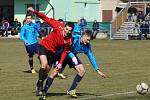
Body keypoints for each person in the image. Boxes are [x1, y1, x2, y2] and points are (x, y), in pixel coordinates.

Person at [27, 7, 74, 99]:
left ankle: (39, 83)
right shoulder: (58, 25)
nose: (67, 32)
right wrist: (34, 11)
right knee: (44, 65)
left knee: (46, 72)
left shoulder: (69, 40)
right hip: (44, 46)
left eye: (70, 31)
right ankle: (40, 87)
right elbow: (45, 18)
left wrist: (60, 63)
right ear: (64, 27)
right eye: (66, 29)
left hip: (52, 52)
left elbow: (65, 51)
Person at [43, 29, 106, 99]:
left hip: (72, 58)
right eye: (87, 39)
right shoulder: (74, 38)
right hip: (63, 56)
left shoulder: (87, 46)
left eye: (89, 40)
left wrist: (97, 69)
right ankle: (44, 91)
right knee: (53, 74)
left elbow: (91, 57)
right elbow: (66, 49)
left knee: (82, 71)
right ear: (84, 35)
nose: (88, 42)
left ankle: (71, 90)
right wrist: (73, 57)